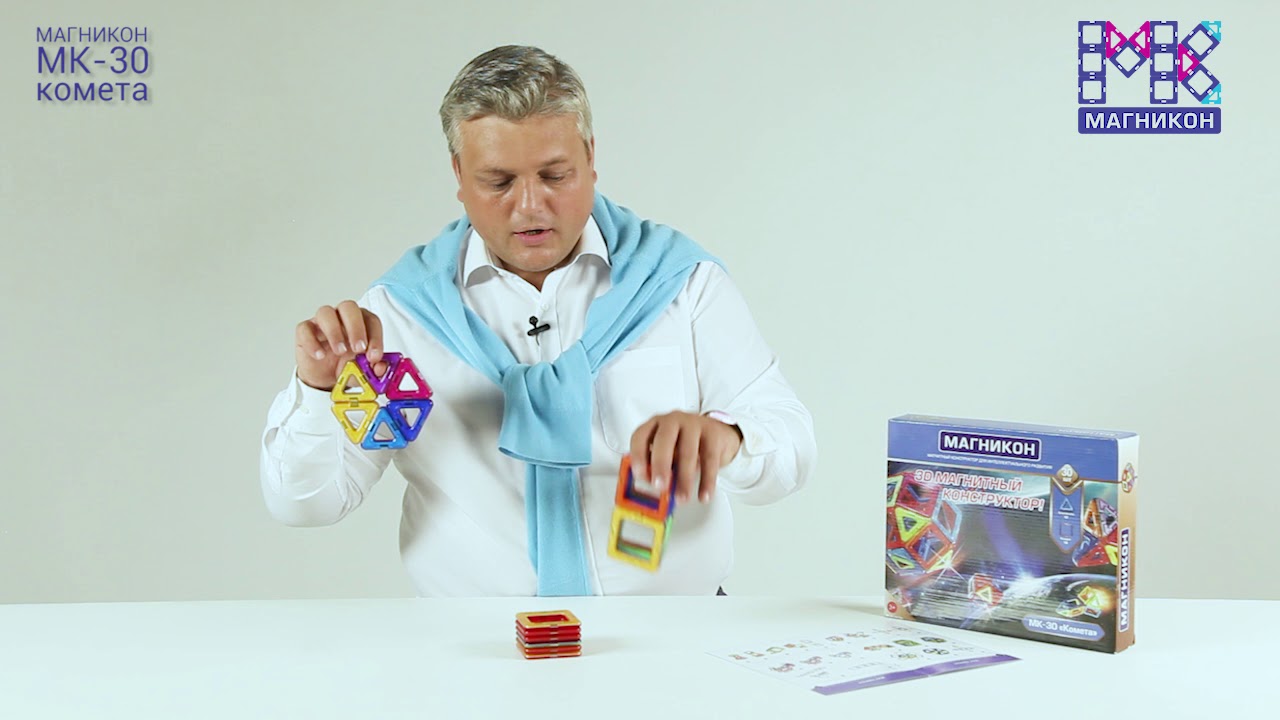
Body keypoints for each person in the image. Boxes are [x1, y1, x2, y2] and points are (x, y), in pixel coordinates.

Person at [259, 45, 816, 597]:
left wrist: (729, 438)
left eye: (554, 175)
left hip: (677, 629)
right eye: (499, 182)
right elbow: (306, 505)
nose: (530, 205)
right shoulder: (400, 314)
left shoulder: (683, 282)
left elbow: (792, 447)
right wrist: (317, 393)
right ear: (458, 173)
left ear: (591, 157)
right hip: (474, 639)